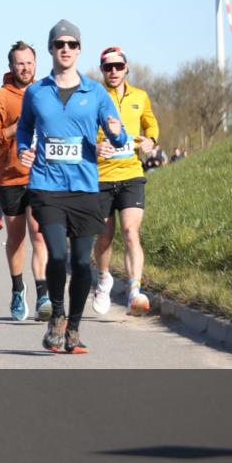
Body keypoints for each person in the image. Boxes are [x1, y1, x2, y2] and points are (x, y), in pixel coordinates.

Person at [16, 20, 127, 354]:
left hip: (84, 187)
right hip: (46, 186)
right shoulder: (36, 92)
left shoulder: (95, 93)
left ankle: (74, 329)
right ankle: (57, 318)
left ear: (79, 50)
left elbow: (118, 135)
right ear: (51, 48)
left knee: (81, 263)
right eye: (60, 43)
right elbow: (24, 129)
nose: (66, 49)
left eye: (72, 44)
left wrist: (114, 134)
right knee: (57, 254)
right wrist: (24, 148)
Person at [0, 41, 51, 321]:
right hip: (10, 176)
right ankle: (17, 288)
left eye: (30, 63)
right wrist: (14, 128)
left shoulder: (47, 92)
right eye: (20, 63)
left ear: (36, 64)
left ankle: (43, 294)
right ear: (11, 66)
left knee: (40, 236)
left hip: (41, 176)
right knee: (16, 237)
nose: (25, 68)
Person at [92, 46, 160, 316]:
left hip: (132, 173)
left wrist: (151, 141)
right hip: (101, 176)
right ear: (102, 70)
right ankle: (103, 279)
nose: (113, 71)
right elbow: (80, 130)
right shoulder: (92, 97)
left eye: (118, 66)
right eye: (108, 67)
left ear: (126, 68)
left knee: (131, 232)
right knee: (105, 237)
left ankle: (134, 290)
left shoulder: (140, 97)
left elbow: (151, 124)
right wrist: (95, 148)